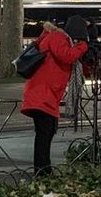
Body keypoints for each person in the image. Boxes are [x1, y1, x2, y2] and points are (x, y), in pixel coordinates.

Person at [20, 16, 89, 178]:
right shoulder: (58, 37)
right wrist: (83, 46)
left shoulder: (55, 37)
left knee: (47, 132)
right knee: (45, 133)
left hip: (44, 93)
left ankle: (44, 169)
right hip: (42, 94)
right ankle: (42, 171)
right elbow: (66, 56)